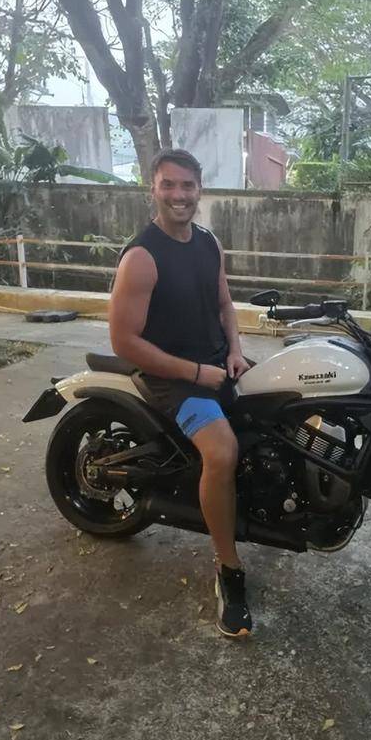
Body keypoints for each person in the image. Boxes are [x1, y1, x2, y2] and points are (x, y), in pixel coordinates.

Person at [109, 148, 252, 637]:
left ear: (199, 189)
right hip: (171, 377)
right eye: (168, 184)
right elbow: (124, 342)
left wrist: (235, 350)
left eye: (187, 185)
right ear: (152, 188)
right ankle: (229, 569)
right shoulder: (142, 258)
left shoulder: (208, 242)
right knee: (222, 451)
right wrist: (195, 372)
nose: (178, 194)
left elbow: (225, 304)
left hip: (216, 364)